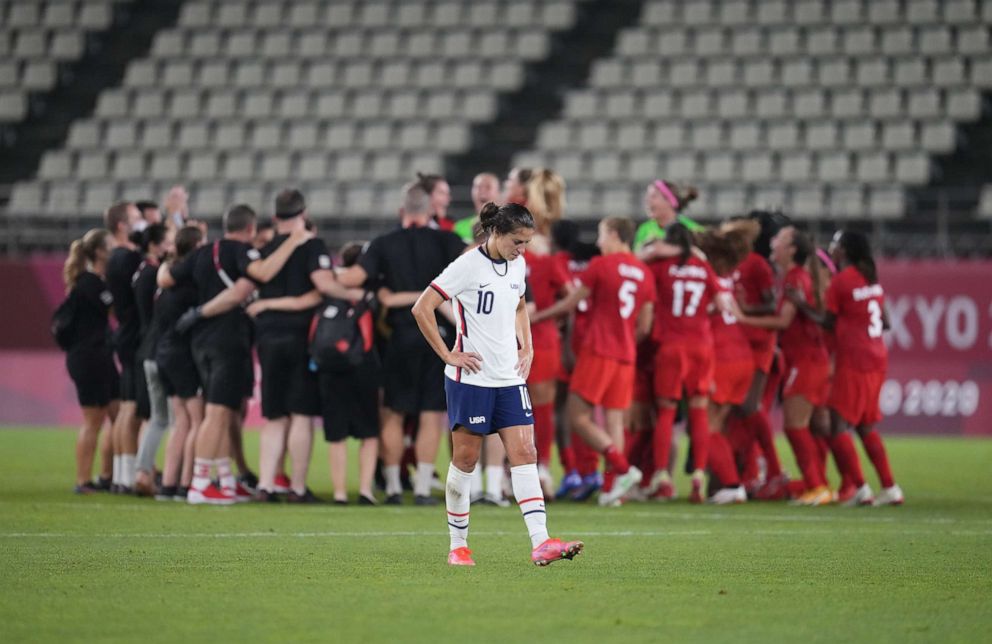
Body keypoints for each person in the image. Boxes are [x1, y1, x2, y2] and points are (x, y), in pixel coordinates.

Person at [412, 201, 583, 567]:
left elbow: (520, 304)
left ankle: (541, 542)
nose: (522, 250)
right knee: (466, 459)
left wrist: (529, 345)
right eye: (517, 241)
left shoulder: (518, 265)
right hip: (471, 379)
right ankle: (458, 546)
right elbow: (422, 307)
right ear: (496, 233)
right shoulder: (467, 266)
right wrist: (447, 354)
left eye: (526, 242)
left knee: (525, 453)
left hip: (508, 377)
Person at [158, 204, 310, 504]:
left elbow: (165, 278)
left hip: (201, 342)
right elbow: (262, 273)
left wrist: (164, 261)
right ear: (250, 229)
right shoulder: (242, 251)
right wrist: (293, 240)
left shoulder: (203, 253)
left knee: (227, 413)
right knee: (216, 414)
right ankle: (201, 484)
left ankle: (225, 479)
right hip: (227, 340)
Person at [337, 184, 465, 504]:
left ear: (401, 212)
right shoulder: (447, 241)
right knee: (430, 413)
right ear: (431, 211)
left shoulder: (382, 244)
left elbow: (352, 278)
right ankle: (422, 488)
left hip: (399, 337)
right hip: (438, 335)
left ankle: (393, 486)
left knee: (393, 412)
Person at [532, 217, 655, 507]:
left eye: (601, 235)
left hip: (598, 350)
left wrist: (536, 317)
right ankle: (614, 489)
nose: (598, 243)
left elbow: (571, 303)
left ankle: (622, 469)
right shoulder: (643, 272)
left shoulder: (601, 266)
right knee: (614, 419)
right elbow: (645, 326)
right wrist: (624, 341)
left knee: (578, 417)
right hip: (626, 354)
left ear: (613, 234)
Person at [248, 189, 361, 503]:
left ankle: (267, 485)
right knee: (300, 414)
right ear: (303, 212)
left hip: (268, 336)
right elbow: (324, 285)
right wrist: (355, 295)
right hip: (302, 337)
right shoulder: (313, 245)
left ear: (274, 217)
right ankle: (297, 487)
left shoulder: (265, 249)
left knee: (273, 416)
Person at [789, 230, 903, 507]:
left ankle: (861, 488)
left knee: (839, 424)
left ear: (845, 251)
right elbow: (886, 322)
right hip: (878, 358)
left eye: (836, 245)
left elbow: (827, 322)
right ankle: (889, 487)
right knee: (866, 425)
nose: (832, 250)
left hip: (854, 360)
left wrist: (801, 304)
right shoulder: (871, 281)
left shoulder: (842, 283)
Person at [735, 226, 833, 506]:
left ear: (791, 250)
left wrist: (741, 317)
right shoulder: (794, 277)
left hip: (807, 362)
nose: (773, 242)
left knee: (794, 426)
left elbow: (782, 322)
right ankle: (819, 483)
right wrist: (748, 310)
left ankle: (817, 486)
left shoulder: (794, 278)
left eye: (779, 239)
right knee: (811, 426)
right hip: (806, 361)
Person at [646, 223, 741, 504]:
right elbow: (723, 304)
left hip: (672, 346)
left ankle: (663, 477)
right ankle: (699, 475)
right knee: (699, 411)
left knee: (666, 413)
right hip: (701, 345)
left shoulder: (661, 267)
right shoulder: (703, 267)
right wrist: (702, 312)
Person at [60, 229, 118, 493]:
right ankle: (83, 480)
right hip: (89, 357)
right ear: (99, 252)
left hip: (99, 355)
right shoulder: (90, 283)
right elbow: (116, 309)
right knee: (93, 420)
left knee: (120, 414)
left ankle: (108, 474)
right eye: (111, 245)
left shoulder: (92, 282)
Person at [153, 225, 205, 500]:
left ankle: (169, 483)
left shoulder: (166, 282)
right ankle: (188, 482)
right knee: (198, 420)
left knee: (181, 421)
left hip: (164, 353)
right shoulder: (189, 284)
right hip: (183, 355)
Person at [131, 224, 175, 495]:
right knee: (179, 421)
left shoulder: (147, 274)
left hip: (149, 350)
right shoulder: (163, 280)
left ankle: (141, 471)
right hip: (165, 353)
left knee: (158, 419)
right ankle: (176, 478)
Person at [104, 201, 143, 493]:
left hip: (124, 333)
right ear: (121, 225)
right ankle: (128, 476)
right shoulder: (128, 258)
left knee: (126, 408)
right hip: (135, 335)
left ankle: (121, 475)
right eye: (136, 218)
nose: (140, 222)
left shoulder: (114, 258)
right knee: (132, 409)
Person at [634, 180, 703, 252]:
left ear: (670, 201)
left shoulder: (693, 229)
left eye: (653, 196)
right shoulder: (644, 229)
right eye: (647, 196)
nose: (647, 200)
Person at [453, 172, 501, 244]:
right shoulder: (459, 227)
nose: (482, 191)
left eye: (488, 187)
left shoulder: (507, 226)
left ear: (498, 192)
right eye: (478, 187)